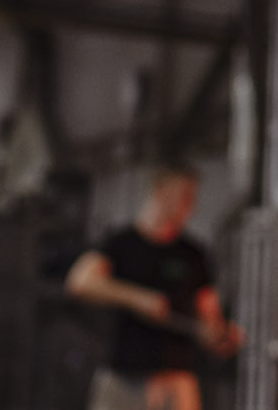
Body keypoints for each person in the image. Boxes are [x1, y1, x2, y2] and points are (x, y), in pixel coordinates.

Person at [65, 164, 242, 410]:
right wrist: (137, 298)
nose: (190, 204)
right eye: (184, 195)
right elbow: (80, 281)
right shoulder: (121, 244)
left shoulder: (193, 255)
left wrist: (219, 336)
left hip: (176, 379)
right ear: (160, 191)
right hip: (124, 376)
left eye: (192, 197)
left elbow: (208, 316)